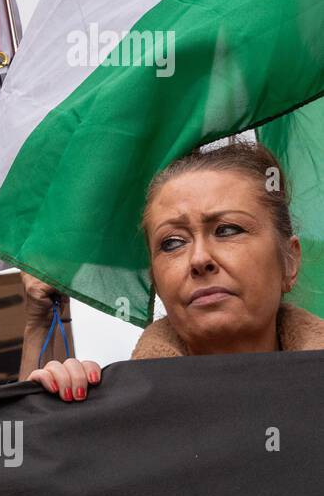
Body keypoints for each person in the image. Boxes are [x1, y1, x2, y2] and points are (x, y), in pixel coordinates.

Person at [21, 141, 324, 401]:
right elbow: (27, 457)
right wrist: (53, 406)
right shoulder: (114, 409)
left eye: (228, 229)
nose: (199, 259)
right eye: (172, 243)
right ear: (155, 278)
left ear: (289, 260)